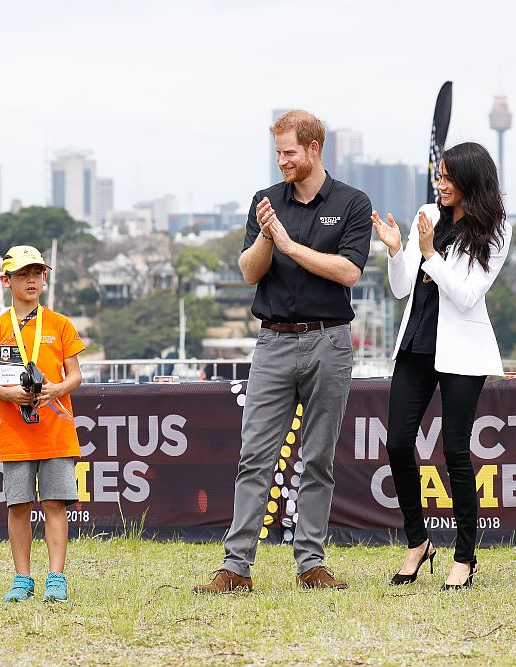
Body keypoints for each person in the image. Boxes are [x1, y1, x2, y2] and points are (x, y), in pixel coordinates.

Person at [194, 110, 372, 593]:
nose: (281, 162)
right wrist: (270, 240)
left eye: (289, 152)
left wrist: (291, 246)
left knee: (318, 459)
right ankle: (235, 568)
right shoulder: (265, 202)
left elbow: (349, 272)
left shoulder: (353, 203)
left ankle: (310, 564)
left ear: (315, 148)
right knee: (255, 456)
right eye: (277, 153)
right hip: (272, 341)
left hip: (329, 341)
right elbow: (250, 272)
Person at [371, 141, 511, 590]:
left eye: (450, 177)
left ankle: (465, 557)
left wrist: (432, 255)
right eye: (440, 175)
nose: (441, 183)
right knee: (396, 443)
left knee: (455, 450)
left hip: (462, 351)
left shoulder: (496, 229)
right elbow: (400, 289)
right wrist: (396, 251)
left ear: (471, 180)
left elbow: (468, 294)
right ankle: (418, 542)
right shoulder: (427, 213)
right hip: (416, 343)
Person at [0, 245, 86, 603]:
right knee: (18, 506)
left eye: (37, 273)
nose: (32, 280)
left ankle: (56, 577)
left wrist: (55, 390)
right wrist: (9, 395)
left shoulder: (59, 324)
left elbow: (76, 376)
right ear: (5, 280)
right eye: (23, 274)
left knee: (55, 504)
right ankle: (22, 578)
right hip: (16, 433)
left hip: (55, 431)